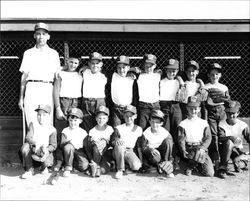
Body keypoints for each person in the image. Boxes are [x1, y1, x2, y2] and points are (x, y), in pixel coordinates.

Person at [18, 22, 61, 126]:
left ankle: (46, 143)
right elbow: (24, 76)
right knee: (31, 118)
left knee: (46, 120)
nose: (41, 36)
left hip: (47, 88)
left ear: (48, 36)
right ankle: (32, 142)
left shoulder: (54, 53)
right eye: (38, 33)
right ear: (34, 35)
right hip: (32, 87)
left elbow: (58, 75)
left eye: (44, 34)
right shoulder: (28, 53)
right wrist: (21, 97)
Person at [177, 96, 214, 177]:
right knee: (194, 154)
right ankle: (190, 166)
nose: (193, 111)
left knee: (209, 173)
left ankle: (195, 165)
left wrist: (203, 148)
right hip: (189, 148)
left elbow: (208, 137)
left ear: (199, 109)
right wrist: (183, 149)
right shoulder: (183, 123)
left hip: (200, 148)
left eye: (195, 108)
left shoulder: (204, 122)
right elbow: (181, 139)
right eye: (191, 108)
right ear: (187, 108)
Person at [204, 63, 230, 169]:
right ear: (209, 75)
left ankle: (225, 160)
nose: (215, 76)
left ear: (220, 75)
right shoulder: (206, 86)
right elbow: (205, 101)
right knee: (213, 136)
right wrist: (210, 98)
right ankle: (215, 159)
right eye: (212, 74)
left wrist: (224, 98)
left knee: (222, 134)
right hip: (211, 112)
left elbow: (228, 101)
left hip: (222, 110)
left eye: (217, 74)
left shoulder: (224, 87)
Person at [20, 105, 57, 179]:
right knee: (25, 148)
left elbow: (53, 145)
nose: (41, 117)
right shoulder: (33, 124)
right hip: (34, 149)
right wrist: (36, 143)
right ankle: (29, 170)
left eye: (44, 115)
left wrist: (46, 150)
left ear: (48, 116)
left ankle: (43, 167)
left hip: (44, 150)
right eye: (39, 115)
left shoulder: (52, 129)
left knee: (47, 162)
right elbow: (28, 137)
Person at [159, 59, 183, 169]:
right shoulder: (161, 81)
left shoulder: (179, 82)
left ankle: (176, 158)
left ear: (177, 71)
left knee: (177, 131)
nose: (171, 73)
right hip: (164, 106)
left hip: (176, 105)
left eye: (174, 71)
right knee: (166, 132)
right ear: (165, 70)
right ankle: (166, 158)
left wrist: (182, 82)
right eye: (169, 70)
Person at [217, 100, 250, 179]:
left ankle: (237, 163)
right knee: (228, 142)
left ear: (238, 113)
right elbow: (220, 138)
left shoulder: (242, 125)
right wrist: (231, 137)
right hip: (225, 149)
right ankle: (223, 167)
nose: (231, 116)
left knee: (241, 164)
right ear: (225, 113)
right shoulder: (222, 124)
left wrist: (247, 154)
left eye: (233, 113)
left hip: (237, 150)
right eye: (229, 113)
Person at [140, 109, 175, 178]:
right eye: (152, 122)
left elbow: (171, 147)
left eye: (157, 122)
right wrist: (150, 150)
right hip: (153, 153)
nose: (154, 124)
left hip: (163, 152)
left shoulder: (165, 133)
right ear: (149, 122)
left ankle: (167, 167)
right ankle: (158, 165)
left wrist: (170, 160)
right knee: (155, 158)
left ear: (161, 123)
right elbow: (143, 147)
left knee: (168, 141)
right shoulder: (146, 133)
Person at [111, 105, 142, 179]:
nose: (128, 118)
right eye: (126, 116)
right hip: (118, 150)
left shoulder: (138, 129)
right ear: (123, 116)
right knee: (120, 145)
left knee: (136, 166)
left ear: (135, 116)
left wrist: (141, 160)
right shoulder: (119, 128)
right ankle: (120, 169)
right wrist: (116, 140)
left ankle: (126, 165)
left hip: (129, 151)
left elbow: (139, 145)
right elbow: (112, 141)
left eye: (131, 116)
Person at [58, 108, 89, 177]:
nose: (73, 123)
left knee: (84, 166)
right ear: (68, 120)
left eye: (75, 120)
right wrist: (68, 143)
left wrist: (90, 159)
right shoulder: (65, 131)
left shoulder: (83, 132)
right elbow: (61, 144)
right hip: (68, 151)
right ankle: (68, 167)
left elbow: (86, 147)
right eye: (71, 120)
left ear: (80, 121)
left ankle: (74, 164)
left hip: (79, 151)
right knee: (69, 147)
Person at [81, 52, 107, 132]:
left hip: (99, 101)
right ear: (89, 63)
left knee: (100, 122)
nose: (95, 65)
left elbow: (123, 71)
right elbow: (70, 67)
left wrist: (132, 70)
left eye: (97, 63)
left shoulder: (105, 74)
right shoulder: (84, 72)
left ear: (101, 64)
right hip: (86, 101)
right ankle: (89, 142)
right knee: (87, 123)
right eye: (92, 63)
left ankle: (101, 142)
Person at [86, 105, 114, 177]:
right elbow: (90, 147)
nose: (101, 120)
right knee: (96, 146)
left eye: (104, 118)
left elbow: (112, 143)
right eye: (99, 118)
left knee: (104, 170)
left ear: (107, 119)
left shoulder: (110, 129)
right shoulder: (92, 131)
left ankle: (95, 166)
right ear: (96, 118)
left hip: (106, 153)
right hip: (96, 153)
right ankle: (96, 166)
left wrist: (104, 141)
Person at [110, 55, 138, 127]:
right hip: (116, 108)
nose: (121, 70)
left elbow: (143, 71)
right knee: (116, 129)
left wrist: (133, 71)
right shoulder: (113, 75)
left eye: (124, 67)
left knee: (128, 128)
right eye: (119, 68)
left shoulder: (132, 78)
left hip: (128, 108)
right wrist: (86, 67)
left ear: (128, 67)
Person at [137, 54, 161, 131]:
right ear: (143, 65)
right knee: (142, 127)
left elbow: (174, 75)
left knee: (156, 126)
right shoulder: (139, 75)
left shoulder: (158, 74)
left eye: (151, 65)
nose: (149, 67)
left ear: (155, 66)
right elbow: (131, 70)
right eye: (146, 65)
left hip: (155, 105)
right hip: (144, 105)